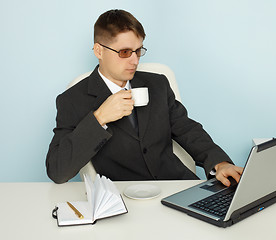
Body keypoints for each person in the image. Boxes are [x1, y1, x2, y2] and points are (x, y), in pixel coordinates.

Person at [46, 9, 243, 186]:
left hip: (176, 186)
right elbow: (57, 171)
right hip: (125, 199)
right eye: (125, 52)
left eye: (138, 51)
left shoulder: (157, 84)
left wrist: (220, 163)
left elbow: (187, 129)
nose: (135, 60)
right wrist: (99, 119)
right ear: (99, 51)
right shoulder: (72, 99)